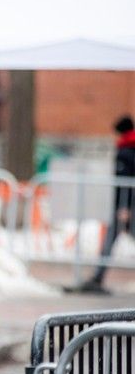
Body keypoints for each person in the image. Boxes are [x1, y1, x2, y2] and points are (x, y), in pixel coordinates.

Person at [79, 115, 135, 294]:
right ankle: (98, 276)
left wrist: (124, 206)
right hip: (127, 205)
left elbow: (124, 180)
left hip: (125, 206)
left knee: (109, 241)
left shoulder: (125, 151)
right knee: (109, 240)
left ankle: (98, 277)